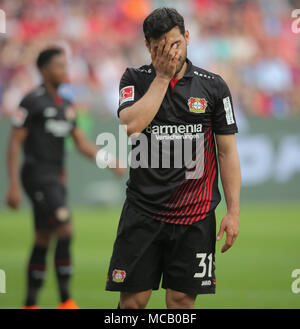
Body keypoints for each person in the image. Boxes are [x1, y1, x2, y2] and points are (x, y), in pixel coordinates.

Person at [106, 8, 241, 309]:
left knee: (180, 302)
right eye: (160, 48)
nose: (169, 53)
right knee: (132, 304)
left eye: (175, 44)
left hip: (195, 216)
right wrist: (162, 78)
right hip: (143, 211)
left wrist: (233, 211)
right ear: (148, 47)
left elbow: (227, 152)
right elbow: (131, 126)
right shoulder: (135, 78)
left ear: (188, 37)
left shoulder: (214, 86)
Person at [6, 47, 124, 309]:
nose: (64, 71)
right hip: (37, 177)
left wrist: (110, 162)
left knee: (43, 238)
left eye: (65, 66)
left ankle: (30, 304)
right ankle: (66, 301)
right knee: (65, 229)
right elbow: (14, 144)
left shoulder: (67, 107)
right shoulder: (31, 102)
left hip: (55, 179)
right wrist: (13, 186)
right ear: (44, 70)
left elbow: (81, 144)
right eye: (59, 66)